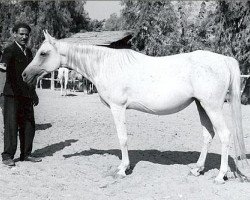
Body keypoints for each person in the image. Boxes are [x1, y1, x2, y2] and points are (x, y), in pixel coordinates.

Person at [1, 22, 41, 166]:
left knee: (29, 125)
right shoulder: (9, 50)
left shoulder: (29, 52)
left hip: (26, 95)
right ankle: (7, 156)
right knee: (11, 126)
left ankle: (26, 154)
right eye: (21, 34)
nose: (24, 37)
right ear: (14, 34)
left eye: (26, 34)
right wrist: (3, 66)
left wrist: (34, 94)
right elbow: (3, 65)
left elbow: (31, 76)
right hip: (12, 95)